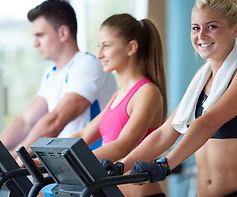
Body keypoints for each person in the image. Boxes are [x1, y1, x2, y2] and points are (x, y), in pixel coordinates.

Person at [105, 0, 237, 197]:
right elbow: (166, 132)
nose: (201, 35)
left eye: (211, 26)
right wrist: (122, 164)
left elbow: (208, 122)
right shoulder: (201, 78)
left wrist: (165, 165)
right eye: (195, 28)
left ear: (235, 30)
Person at [0, 0, 117, 157]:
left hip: (93, 165)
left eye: (40, 35)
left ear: (63, 33)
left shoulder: (88, 65)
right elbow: (26, 121)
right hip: (69, 164)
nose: (35, 43)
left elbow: (55, 121)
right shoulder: (52, 73)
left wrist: (15, 156)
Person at [69, 13, 167, 197]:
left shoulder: (147, 93)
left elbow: (122, 146)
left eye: (106, 46)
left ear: (131, 47)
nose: (99, 54)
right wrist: (42, 155)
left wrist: (69, 161)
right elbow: (84, 134)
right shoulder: (118, 94)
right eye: (99, 47)